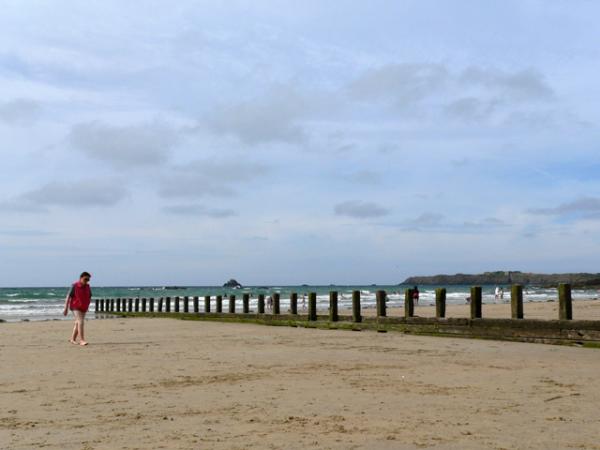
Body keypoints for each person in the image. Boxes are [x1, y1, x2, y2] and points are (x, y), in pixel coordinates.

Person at [63, 272, 92, 346]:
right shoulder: (74, 286)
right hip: (75, 306)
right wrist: (65, 308)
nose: (87, 281)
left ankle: (72, 339)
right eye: (85, 279)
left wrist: (87, 306)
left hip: (84, 307)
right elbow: (68, 297)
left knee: (77, 322)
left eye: (88, 280)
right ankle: (82, 340)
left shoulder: (88, 286)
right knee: (80, 321)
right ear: (81, 278)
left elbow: (89, 297)